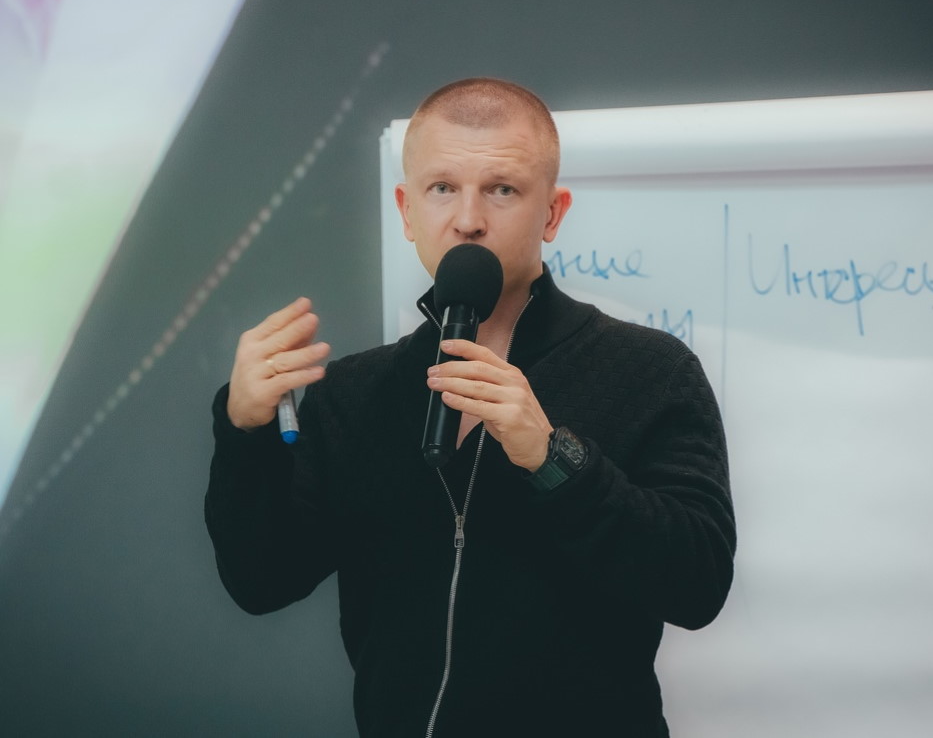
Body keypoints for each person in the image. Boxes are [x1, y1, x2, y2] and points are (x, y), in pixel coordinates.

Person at [206, 77, 735, 738]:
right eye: (441, 188)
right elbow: (261, 582)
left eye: (502, 189)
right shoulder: (354, 392)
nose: (468, 219)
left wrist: (554, 458)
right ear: (406, 211)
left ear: (553, 213)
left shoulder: (651, 371)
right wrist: (244, 431)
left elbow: (698, 586)